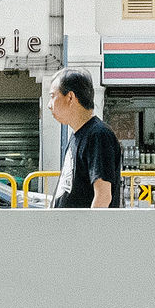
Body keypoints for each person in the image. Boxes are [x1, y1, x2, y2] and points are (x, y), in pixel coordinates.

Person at [48, 68, 122, 208]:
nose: (49, 105)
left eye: (52, 96)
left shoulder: (99, 135)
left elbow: (103, 197)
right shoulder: (77, 135)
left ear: (70, 97)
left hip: (82, 229)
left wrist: (89, 230)